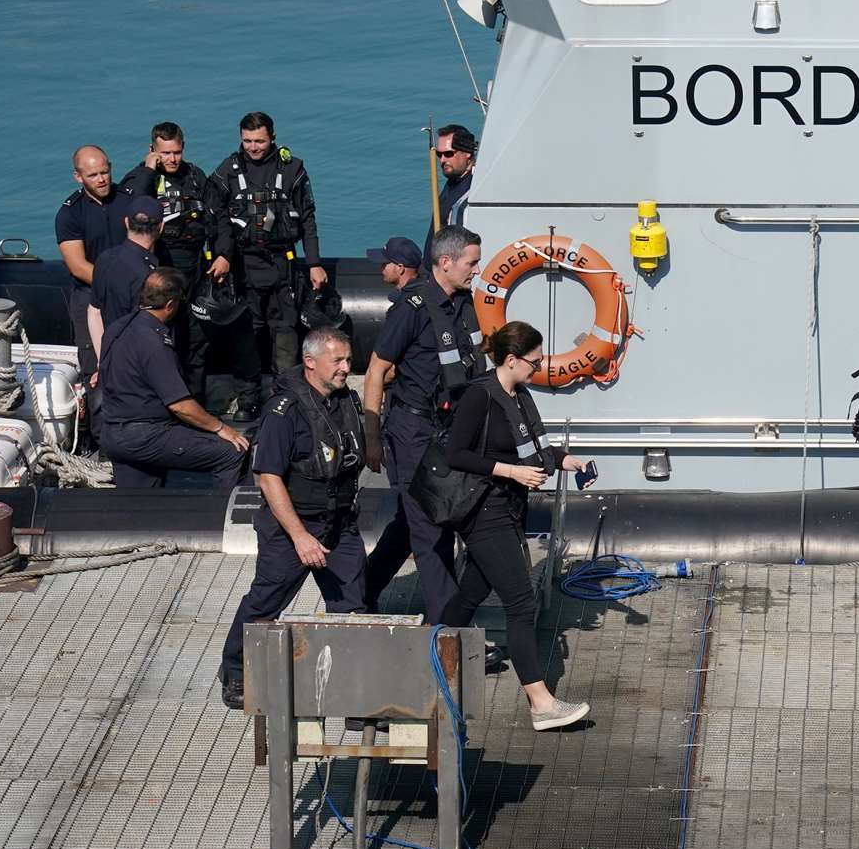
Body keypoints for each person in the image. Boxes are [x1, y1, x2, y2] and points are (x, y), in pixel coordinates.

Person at [441, 321, 591, 731]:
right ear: (511, 360)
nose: (538, 368)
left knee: (471, 591)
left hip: (508, 508)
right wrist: (509, 472)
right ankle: (540, 703)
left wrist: (564, 460)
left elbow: (532, 447)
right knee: (521, 603)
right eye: (534, 361)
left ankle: (424, 656)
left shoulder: (519, 396)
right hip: (483, 510)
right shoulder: (479, 396)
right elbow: (456, 453)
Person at [217, 328, 367, 711]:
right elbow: (268, 478)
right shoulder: (285, 412)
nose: (346, 368)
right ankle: (236, 668)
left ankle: (351, 682)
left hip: (339, 522)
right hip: (292, 527)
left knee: (352, 602)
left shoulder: (344, 401)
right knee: (267, 600)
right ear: (311, 362)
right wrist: (300, 536)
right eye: (338, 361)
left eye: (348, 360)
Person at [361, 226, 485, 621]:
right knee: (432, 530)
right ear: (445, 262)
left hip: (448, 430)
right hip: (413, 431)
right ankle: (448, 628)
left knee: (409, 524)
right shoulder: (412, 308)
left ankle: (358, 591)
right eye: (471, 263)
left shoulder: (465, 304)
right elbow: (377, 369)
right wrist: (372, 436)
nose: (476, 270)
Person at [205, 111, 325, 420]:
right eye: (247, 141)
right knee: (246, 335)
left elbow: (308, 218)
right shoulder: (227, 172)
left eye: (259, 141)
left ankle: (286, 396)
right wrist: (221, 254)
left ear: (272, 137)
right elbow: (215, 218)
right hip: (243, 266)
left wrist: (313, 262)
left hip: (282, 264)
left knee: (285, 332)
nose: (253, 147)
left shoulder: (293, 168)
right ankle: (248, 399)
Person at [99, 268, 249, 488]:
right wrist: (221, 428)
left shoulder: (116, 329)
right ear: (170, 305)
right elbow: (180, 405)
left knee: (137, 501)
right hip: (147, 435)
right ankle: (225, 517)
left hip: (113, 432)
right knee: (232, 452)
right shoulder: (155, 343)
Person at [119, 122, 227, 402]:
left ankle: (196, 399)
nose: (171, 159)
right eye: (165, 153)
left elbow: (219, 218)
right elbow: (132, 212)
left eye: (176, 152)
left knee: (196, 338)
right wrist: (148, 171)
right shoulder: (139, 178)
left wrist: (223, 254)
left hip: (194, 267)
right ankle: (164, 400)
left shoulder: (195, 177)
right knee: (162, 337)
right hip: (159, 267)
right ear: (153, 151)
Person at [55, 145, 133, 376]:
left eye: (104, 172)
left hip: (130, 295)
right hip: (90, 297)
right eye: (93, 175)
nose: (101, 180)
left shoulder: (129, 201)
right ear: (78, 177)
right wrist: (116, 283)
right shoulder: (70, 214)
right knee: (94, 368)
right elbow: (77, 265)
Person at [87, 197, 162, 359]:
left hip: (111, 355)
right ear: (161, 227)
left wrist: (103, 361)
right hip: (138, 363)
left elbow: (94, 312)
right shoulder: (152, 276)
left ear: (127, 223)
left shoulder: (104, 259)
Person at [422, 125, 475, 260]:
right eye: (439, 154)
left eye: (449, 154)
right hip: (433, 271)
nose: (442, 160)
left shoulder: (472, 190)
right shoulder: (454, 179)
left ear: (467, 152)